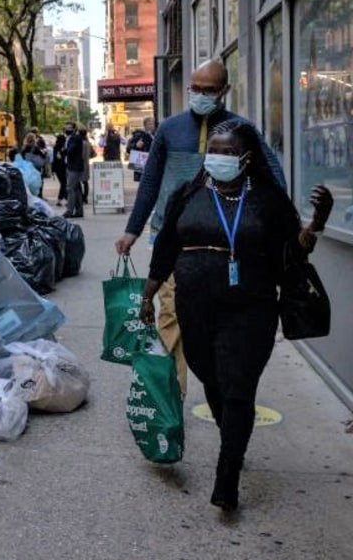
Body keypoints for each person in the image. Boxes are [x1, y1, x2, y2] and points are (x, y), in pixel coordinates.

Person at [140, 121, 332, 511]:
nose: (218, 157)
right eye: (214, 150)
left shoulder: (268, 199)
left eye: (227, 152)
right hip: (194, 305)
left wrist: (317, 223)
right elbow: (165, 247)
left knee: (238, 387)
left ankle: (226, 477)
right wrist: (149, 294)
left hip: (251, 308)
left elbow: (294, 253)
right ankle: (234, 441)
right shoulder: (188, 193)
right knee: (210, 377)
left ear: (246, 158)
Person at [116, 59, 286, 395]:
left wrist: (278, 228)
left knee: (215, 322)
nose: (200, 95)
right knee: (170, 318)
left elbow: (273, 178)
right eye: (195, 88)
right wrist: (132, 230)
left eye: (209, 90)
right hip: (176, 241)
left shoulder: (242, 131)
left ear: (224, 91)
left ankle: (221, 388)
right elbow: (150, 181)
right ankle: (170, 396)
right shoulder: (170, 129)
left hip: (228, 246)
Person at [63, 122, 86, 218]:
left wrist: (63, 150)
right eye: (66, 128)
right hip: (71, 165)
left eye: (69, 128)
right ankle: (79, 211)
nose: (67, 130)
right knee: (76, 189)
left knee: (70, 188)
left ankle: (69, 210)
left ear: (74, 129)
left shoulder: (75, 138)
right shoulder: (69, 138)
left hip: (74, 167)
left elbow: (70, 150)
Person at [127, 117, 156, 181]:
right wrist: (136, 146)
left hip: (154, 163)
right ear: (145, 125)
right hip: (142, 164)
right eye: (150, 124)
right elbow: (128, 149)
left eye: (153, 124)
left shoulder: (157, 135)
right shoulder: (138, 135)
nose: (152, 126)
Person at [52, 130, 68, 206]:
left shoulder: (55, 148)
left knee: (64, 183)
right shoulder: (61, 148)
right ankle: (60, 199)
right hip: (62, 167)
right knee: (64, 183)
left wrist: (53, 170)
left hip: (57, 168)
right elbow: (60, 158)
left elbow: (54, 159)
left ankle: (65, 198)